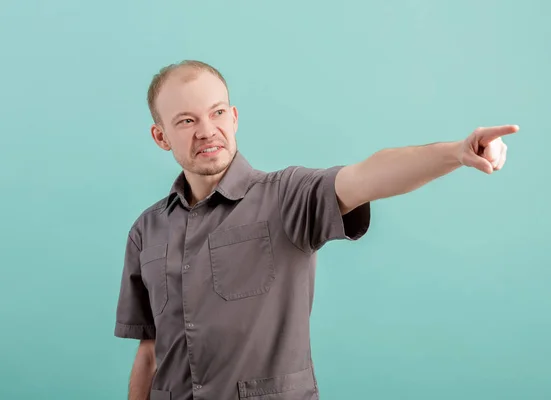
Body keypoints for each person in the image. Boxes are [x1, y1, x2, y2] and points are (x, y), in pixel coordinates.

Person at [114, 60, 518, 400]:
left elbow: (367, 176)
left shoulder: (287, 197)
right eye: (187, 120)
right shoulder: (146, 230)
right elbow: (149, 352)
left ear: (234, 118)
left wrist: (455, 153)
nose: (207, 130)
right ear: (161, 136)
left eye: (217, 112)